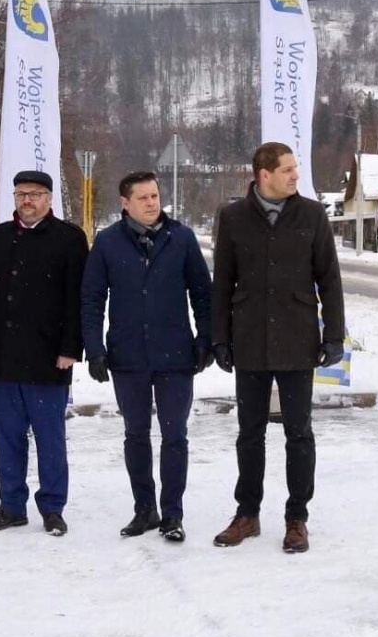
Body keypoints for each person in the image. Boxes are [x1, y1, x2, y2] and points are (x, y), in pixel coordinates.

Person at [210, 142, 345, 554]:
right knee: (249, 433)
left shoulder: (312, 214)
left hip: (297, 338)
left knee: (298, 433)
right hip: (249, 339)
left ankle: (296, 518)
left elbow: (330, 279)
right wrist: (220, 337)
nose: (294, 176)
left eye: (295, 169)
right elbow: (222, 283)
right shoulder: (233, 217)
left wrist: (334, 335)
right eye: (287, 170)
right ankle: (247, 514)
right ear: (263, 174)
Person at [81, 171, 212, 543]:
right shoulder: (107, 243)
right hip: (128, 357)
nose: (152, 203)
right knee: (135, 434)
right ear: (125, 203)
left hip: (175, 355)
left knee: (175, 435)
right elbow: (91, 299)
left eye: (155, 196)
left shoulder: (181, 238)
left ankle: (172, 514)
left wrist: (206, 339)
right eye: (143, 198)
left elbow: (203, 294)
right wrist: (94, 349)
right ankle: (145, 509)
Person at [0, 170, 88, 536]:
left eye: (34, 194)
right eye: (21, 194)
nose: (27, 201)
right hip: (4, 356)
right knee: (8, 439)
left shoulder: (69, 239)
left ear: (49, 198)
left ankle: (52, 507)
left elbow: (77, 300)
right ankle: (11, 505)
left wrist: (70, 348)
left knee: (50, 440)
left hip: (49, 358)